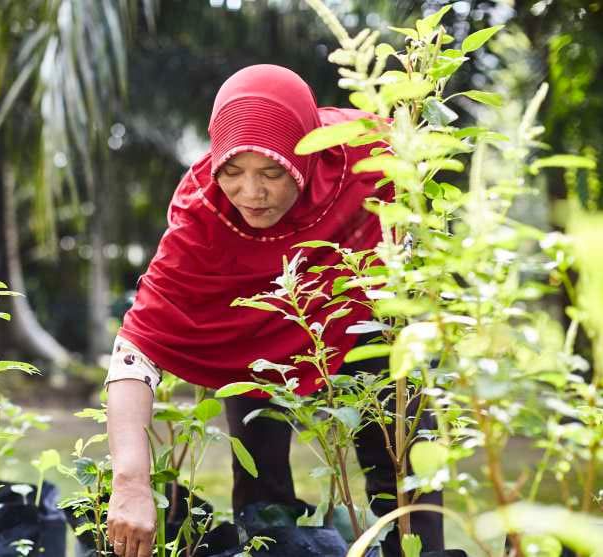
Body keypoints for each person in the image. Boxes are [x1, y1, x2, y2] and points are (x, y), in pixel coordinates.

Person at [103, 64, 444, 557]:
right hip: (252, 336)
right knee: (261, 477)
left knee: (404, 461)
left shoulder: (368, 151)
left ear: (303, 155)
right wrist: (131, 480)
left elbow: (428, 192)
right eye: (232, 172)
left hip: (366, 314)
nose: (251, 193)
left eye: (271, 171)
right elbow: (135, 348)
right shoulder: (203, 212)